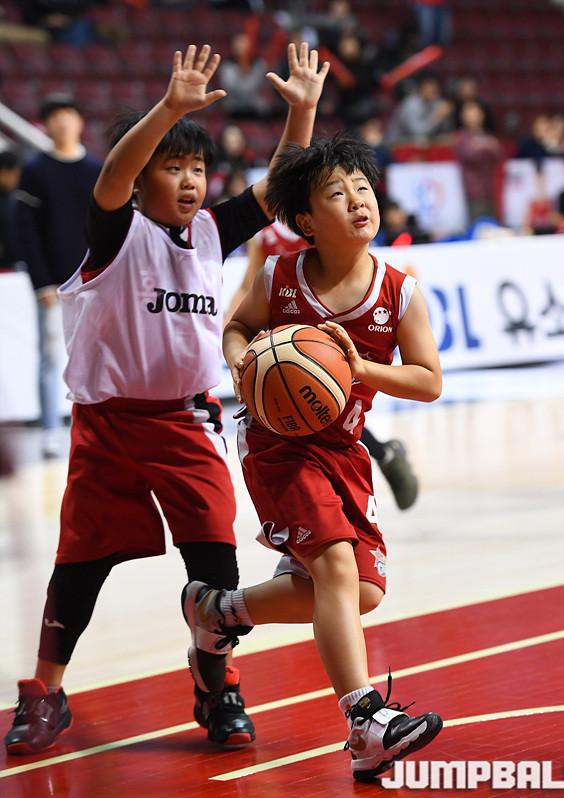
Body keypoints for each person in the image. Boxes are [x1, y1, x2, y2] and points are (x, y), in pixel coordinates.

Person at [4, 41, 329, 756]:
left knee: (216, 565)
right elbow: (111, 175)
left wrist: (301, 113)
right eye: (172, 167)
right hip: (107, 426)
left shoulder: (210, 232)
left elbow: (279, 189)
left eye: (197, 169)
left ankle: (216, 682)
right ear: (141, 176)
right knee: (80, 564)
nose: (189, 181)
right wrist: (169, 109)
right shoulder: (114, 230)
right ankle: (46, 690)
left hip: (186, 421)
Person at [184, 133, 443, 782]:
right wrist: (245, 359)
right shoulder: (280, 276)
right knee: (334, 566)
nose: (357, 199)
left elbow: (428, 380)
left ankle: (219, 611)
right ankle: (365, 721)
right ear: (305, 219)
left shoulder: (399, 291)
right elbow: (236, 328)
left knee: (361, 592)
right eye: (337, 192)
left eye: (363, 187)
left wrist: (361, 369)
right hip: (278, 445)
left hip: (343, 449)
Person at [226, 218, 419, 509]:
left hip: (333, 338)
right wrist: (232, 324)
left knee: (333, 408)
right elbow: (247, 284)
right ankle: (382, 454)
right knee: (306, 405)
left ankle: (383, 454)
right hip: (290, 345)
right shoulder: (266, 237)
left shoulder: (328, 226)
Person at [16, 93, 102, 458]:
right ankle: (51, 429)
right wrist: (41, 283)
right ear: (45, 125)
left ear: (80, 121)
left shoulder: (97, 169)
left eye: (68, 114)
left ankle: (97, 426)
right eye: (54, 116)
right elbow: (26, 232)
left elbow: (108, 228)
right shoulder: (34, 171)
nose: (62, 122)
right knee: (51, 357)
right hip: (53, 284)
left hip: (94, 282)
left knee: (97, 356)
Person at [453, 98, 503, 225]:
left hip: (490, 190)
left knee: (492, 228)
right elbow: (472, 154)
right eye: (469, 114)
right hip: (473, 193)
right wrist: (487, 146)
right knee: (477, 228)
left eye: (476, 113)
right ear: (462, 116)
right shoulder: (461, 138)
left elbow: (498, 153)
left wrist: (481, 146)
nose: (473, 117)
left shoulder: (488, 135)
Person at [0, 148, 22, 272]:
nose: (16, 179)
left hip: (12, 265)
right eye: (14, 174)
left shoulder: (12, 197)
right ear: (3, 172)